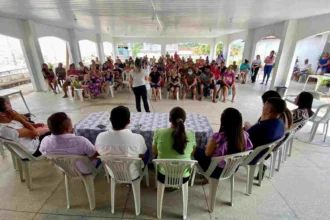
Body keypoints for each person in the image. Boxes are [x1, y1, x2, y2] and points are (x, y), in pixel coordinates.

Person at [194, 108, 253, 181]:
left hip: (216, 171)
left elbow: (207, 154)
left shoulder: (217, 137)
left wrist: (207, 147)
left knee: (195, 149)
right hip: (232, 169)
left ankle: (198, 175)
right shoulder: (244, 135)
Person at [95, 106, 149, 180]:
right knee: (147, 150)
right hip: (133, 174)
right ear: (129, 122)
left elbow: (98, 153)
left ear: (110, 120)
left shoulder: (100, 137)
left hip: (113, 174)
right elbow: (142, 155)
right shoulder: (137, 137)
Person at [152, 107, 196, 184]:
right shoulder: (191, 134)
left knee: (157, 157)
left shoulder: (159, 133)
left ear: (169, 120)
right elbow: (192, 153)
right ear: (184, 121)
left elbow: (154, 152)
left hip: (163, 176)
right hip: (184, 177)